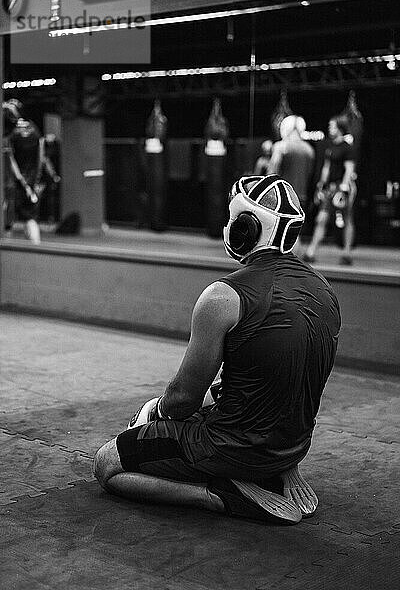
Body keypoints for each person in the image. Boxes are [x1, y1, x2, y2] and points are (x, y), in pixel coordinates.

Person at [94, 174, 341, 525]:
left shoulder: (224, 297)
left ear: (245, 229)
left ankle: (217, 494)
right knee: (227, 393)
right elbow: (287, 379)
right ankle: (278, 470)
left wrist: (150, 414)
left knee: (108, 464)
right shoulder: (324, 289)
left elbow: (182, 399)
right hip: (294, 444)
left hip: (233, 448)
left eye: (232, 220)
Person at [304, 115, 356, 266]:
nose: (329, 128)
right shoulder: (330, 147)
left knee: (347, 219)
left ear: (340, 128)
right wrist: (321, 184)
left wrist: (344, 189)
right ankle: (311, 252)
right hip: (330, 188)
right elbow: (326, 168)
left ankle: (346, 253)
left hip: (343, 187)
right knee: (321, 218)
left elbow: (349, 169)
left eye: (332, 126)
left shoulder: (348, 148)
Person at [7, 118, 60, 244]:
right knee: (28, 217)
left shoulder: (13, 134)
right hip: (27, 182)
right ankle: (33, 245)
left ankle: (32, 245)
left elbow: (11, 159)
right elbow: (41, 158)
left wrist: (23, 181)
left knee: (20, 218)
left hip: (20, 182)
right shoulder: (35, 133)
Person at [268, 115, 315, 255]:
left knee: (282, 231)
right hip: (301, 195)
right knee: (294, 229)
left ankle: (291, 261)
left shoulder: (280, 146)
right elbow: (311, 174)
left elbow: (272, 171)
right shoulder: (309, 150)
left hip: (282, 195)